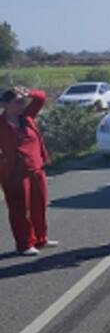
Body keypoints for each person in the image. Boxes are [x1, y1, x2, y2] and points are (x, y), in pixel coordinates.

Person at [0, 87, 55, 256]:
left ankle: (41, 238)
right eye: (17, 101)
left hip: (35, 169)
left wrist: (28, 92)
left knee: (39, 205)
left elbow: (41, 98)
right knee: (20, 210)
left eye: (22, 101)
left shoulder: (27, 117)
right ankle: (24, 243)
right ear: (5, 104)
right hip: (13, 173)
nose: (22, 104)